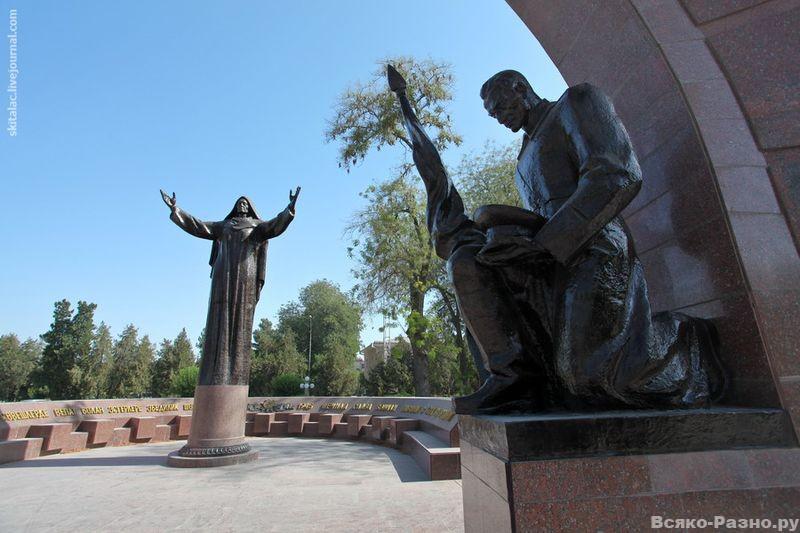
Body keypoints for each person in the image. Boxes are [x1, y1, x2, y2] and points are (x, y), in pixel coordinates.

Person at [388, 65, 724, 414]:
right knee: (469, 259)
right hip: (548, 261)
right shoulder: (522, 162)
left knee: (586, 379)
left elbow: (616, 174)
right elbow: (540, 219)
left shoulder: (576, 103)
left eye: (502, 107)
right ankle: (513, 379)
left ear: (520, 88)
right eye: (492, 115)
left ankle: (682, 340)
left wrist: (543, 244)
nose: (500, 118)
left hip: (597, 250)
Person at [160, 188, 300, 387]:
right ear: (235, 207)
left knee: (241, 318)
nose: (242, 205)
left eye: (245, 203)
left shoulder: (257, 226)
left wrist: (290, 209)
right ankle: (214, 371)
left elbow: (275, 226)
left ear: (250, 208)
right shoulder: (224, 226)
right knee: (219, 318)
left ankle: (235, 375)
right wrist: (176, 210)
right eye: (239, 203)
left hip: (246, 275)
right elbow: (198, 226)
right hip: (223, 275)